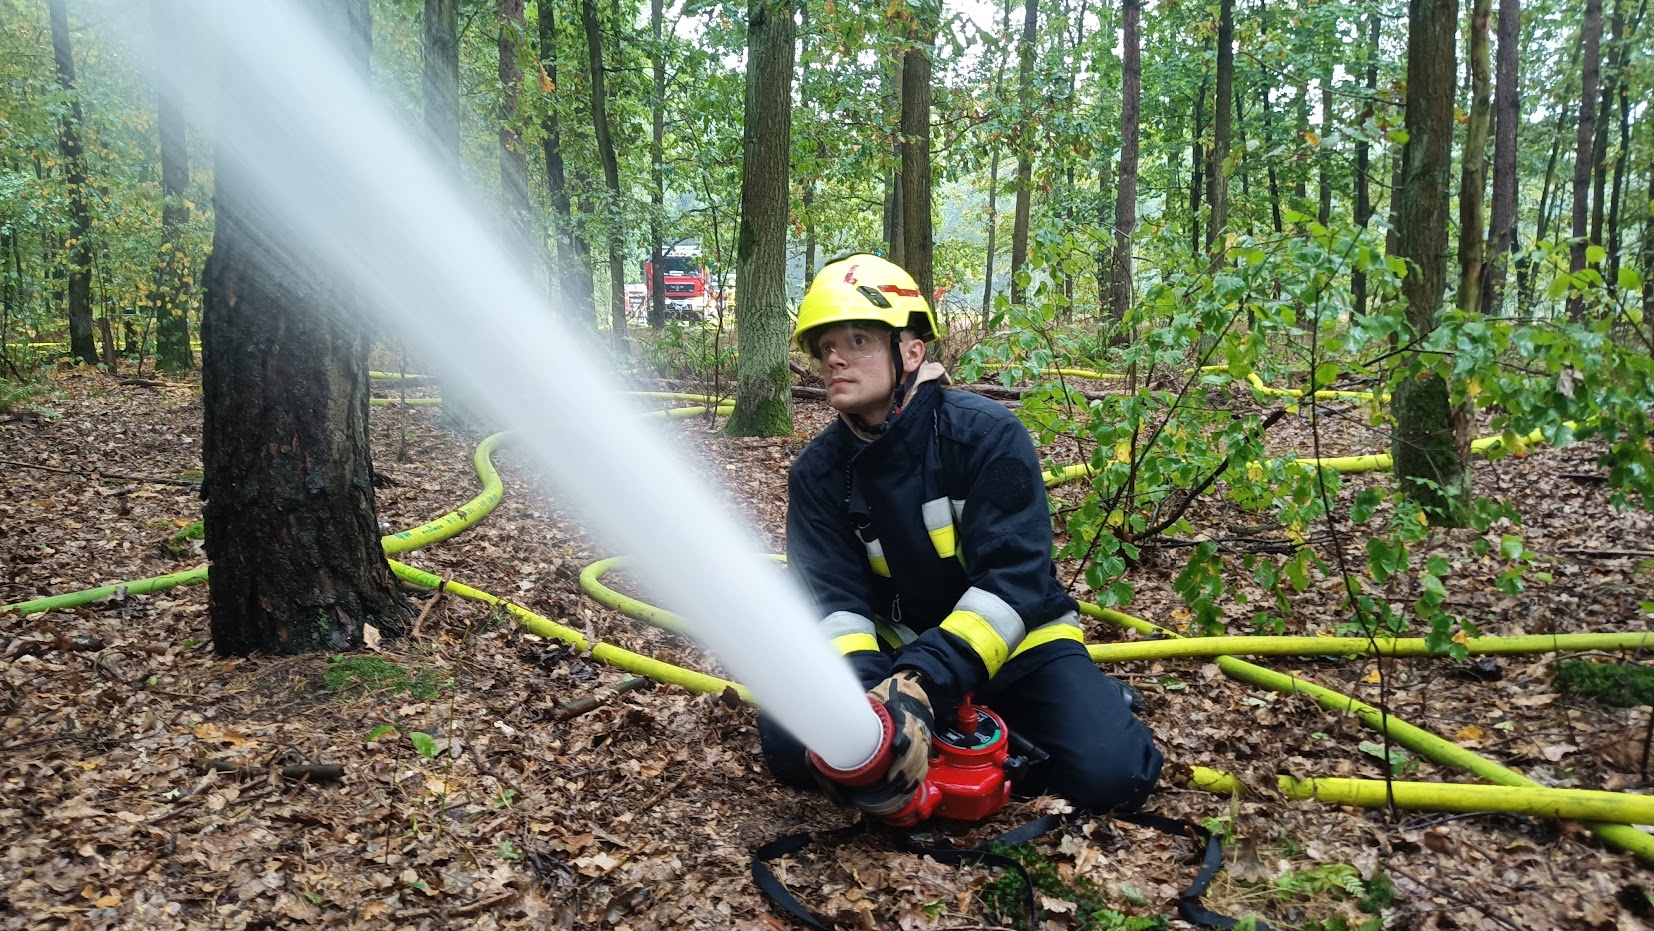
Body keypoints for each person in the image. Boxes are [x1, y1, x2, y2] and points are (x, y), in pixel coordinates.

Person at [760, 254, 1162, 818]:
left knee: (1114, 776)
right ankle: (962, 734)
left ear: (911, 352)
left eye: (857, 340)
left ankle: (1074, 710)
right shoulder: (817, 473)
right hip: (894, 654)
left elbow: (1013, 580)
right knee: (786, 742)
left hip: (1018, 646)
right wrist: (876, 708)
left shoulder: (987, 436)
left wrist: (923, 683)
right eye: (824, 346)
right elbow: (834, 605)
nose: (833, 358)